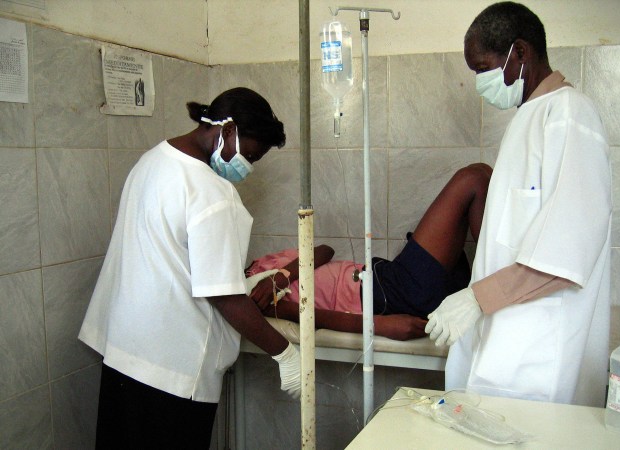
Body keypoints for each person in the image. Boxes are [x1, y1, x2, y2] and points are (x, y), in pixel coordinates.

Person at [78, 87, 301, 449]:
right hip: (172, 373)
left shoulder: (152, 160)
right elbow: (225, 296)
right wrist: (285, 353)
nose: (248, 166)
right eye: (251, 155)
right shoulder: (211, 191)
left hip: (123, 353)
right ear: (227, 130)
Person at [425, 2, 612, 407]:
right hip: (506, 347)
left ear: (521, 53)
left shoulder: (568, 115)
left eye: (483, 69)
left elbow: (568, 252)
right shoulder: (528, 118)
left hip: (539, 361)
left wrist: (477, 297)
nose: (479, 83)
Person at [245, 163, 493, 341]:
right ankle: (496, 284)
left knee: (479, 176)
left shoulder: (260, 267)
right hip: (384, 297)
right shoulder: (252, 296)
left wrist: (280, 277)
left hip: (382, 278)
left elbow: (324, 251)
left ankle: (495, 285)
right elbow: (313, 316)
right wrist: (380, 326)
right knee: (473, 178)